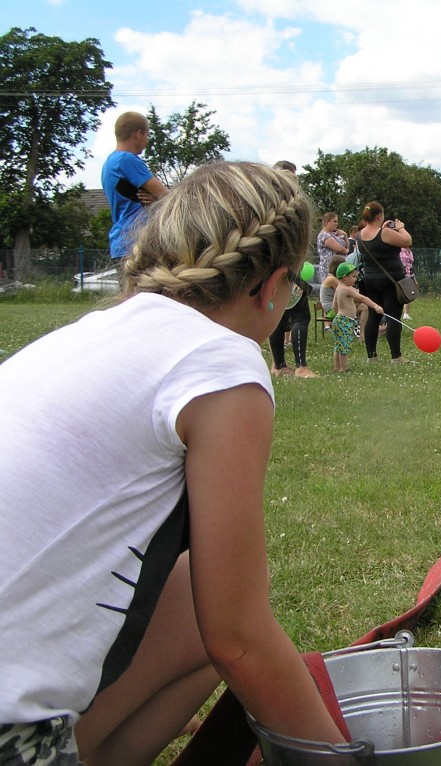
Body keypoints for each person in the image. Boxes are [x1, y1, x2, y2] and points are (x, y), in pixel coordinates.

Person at [0, 161, 348, 765]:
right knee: (220, 616)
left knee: (190, 594)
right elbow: (238, 639)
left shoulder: (89, 333)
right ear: (273, 285)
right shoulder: (223, 361)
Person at [101, 111, 169, 261]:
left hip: (121, 243)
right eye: (147, 135)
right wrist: (158, 201)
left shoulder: (109, 163)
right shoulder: (126, 159)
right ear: (138, 134)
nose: (147, 140)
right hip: (138, 243)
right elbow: (169, 198)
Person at [358, 201, 413, 363]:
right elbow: (407, 241)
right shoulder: (384, 233)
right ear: (380, 215)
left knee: (373, 317)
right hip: (390, 280)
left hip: (369, 280)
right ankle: (396, 356)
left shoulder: (360, 234)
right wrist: (400, 226)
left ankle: (371, 356)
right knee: (393, 317)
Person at [331, 262, 382, 372]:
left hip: (338, 319)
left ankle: (337, 366)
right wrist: (375, 306)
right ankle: (344, 368)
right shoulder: (347, 289)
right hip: (345, 321)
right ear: (345, 277)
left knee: (338, 345)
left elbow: (334, 305)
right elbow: (362, 298)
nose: (355, 279)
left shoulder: (338, 288)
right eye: (353, 276)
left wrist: (339, 314)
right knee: (344, 345)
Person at [267, 266, 316, 378]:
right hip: (287, 274)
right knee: (301, 317)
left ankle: (279, 366)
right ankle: (301, 367)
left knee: (277, 319)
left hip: (271, 276)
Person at [317, 212, 349, 282]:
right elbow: (339, 249)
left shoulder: (334, 234)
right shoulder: (324, 235)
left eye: (337, 222)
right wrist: (347, 251)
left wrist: (345, 235)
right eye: (334, 221)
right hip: (328, 269)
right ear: (327, 222)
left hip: (338, 268)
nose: (336, 224)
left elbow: (346, 246)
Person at [399, 247, 415, 321]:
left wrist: (414, 278)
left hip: (410, 275)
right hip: (401, 275)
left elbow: (411, 265)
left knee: (409, 294)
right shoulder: (400, 250)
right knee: (401, 295)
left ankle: (406, 313)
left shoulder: (409, 251)